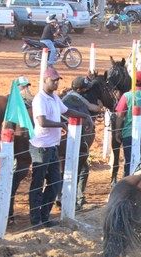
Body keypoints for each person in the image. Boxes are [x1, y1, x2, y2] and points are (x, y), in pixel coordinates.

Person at [29, 68, 92, 229]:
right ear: (45, 81)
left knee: (55, 182)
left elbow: (67, 111)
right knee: (38, 184)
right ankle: (36, 219)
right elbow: (42, 122)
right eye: (53, 80)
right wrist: (61, 124)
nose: (56, 82)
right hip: (41, 147)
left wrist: (84, 115)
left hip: (52, 147)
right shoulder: (39, 100)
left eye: (57, 80)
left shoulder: (55, 98)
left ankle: (44, 215)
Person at [61, 76, 100, 210]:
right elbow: (93, 108)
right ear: (79, 89)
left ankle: (60, 197)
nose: (87, 89)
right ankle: (78, 198)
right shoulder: (78, 99)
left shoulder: (67, 97)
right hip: (75, 140)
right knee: (83, 169)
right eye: (85, 88)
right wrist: (100, 105)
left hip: (67, 140)